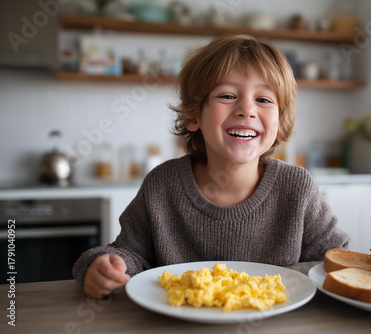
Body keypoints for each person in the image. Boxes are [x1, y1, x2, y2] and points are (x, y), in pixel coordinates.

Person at [73, 34, 350, 298]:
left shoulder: (297, 188)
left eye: (263, 100)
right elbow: (128, 254)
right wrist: (101, 266)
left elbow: (337, 261)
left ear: (281, 125)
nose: (247, 109)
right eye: (227, 96)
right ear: (194, 115)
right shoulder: (162, 185)